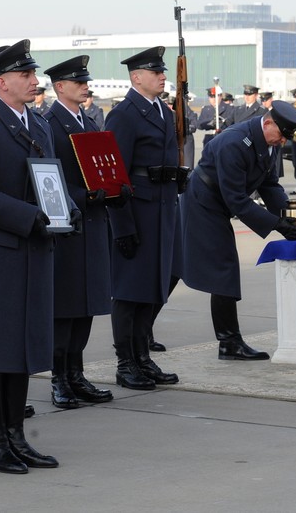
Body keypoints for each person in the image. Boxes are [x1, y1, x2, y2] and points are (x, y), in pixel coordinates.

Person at [0, 39, 77, 474]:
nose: (34, 81)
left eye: (33, 74)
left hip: (32, 251)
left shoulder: (38, 125)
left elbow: (49, 180)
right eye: (25, 75)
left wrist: (67, 208)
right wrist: (28, 216)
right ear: (1, 83)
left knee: (22, 347)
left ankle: (17, 437)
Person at [180, 101, 296, 360]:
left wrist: (292, 217)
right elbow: (237, 200)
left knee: (175, 267)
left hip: (219, 202)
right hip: (203, 202)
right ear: (269, 122)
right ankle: (229, 342)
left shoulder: (269, 142)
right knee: (224, 266)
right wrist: (276, 225)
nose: (282, 142)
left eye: (287, 138)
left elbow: (270, 185)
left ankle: (144, 332)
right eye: (281, 135)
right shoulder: (234, 142)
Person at [105, 46, 183, 390]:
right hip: (136, 210)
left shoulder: (164, 112)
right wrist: (122, 225)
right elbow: (115, 174)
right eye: (156, 72)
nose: (162, 76)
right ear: (137, 78)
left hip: (162, 209)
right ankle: (125, 363)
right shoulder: (125, 114)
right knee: (129, 292)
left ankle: (142, 357)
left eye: (162, 71)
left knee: (152, 289)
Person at [42, 55, 115, 409]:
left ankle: (76, 373)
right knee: (66, 307)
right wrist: (80, 195)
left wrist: (115, 187)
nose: (86, 85)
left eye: (86, 80)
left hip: (93, 223)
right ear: (60, 87)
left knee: (86, 304)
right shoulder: (49, 124)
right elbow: (47, 178)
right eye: (78, 81)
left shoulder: (87, 120)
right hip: (69, 226)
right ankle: (59, 377)